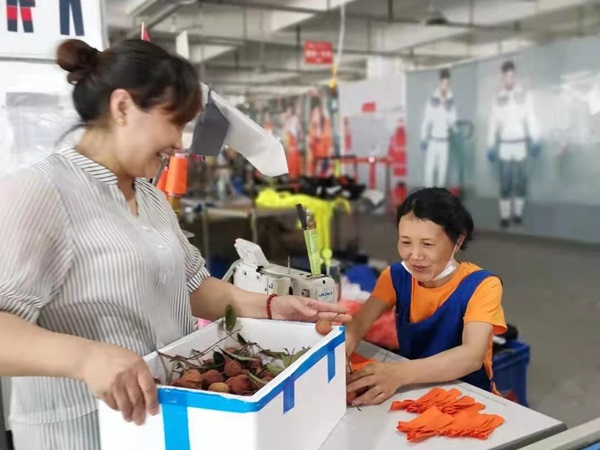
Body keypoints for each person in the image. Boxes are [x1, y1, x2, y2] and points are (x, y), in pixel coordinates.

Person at [0, 38, 350, 450]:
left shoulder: (148, 196)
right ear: (123, 108)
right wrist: (86, 359)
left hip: (165, 424)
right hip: (82, 432)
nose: (181, 142)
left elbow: (194, 287)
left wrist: (275, 306)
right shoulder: (42, 190)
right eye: (173, 122)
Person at [345, 188, 506, 406]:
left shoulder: (482, 286)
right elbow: (361, 320)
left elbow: (471, 356)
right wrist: (342, 349)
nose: (415, 256)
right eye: (405, 242)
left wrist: (398, 374)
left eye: (428, 244)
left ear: (458, 241)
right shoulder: (395, 277)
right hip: (416, 388)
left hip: (469, 396)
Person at [487, 60, 541, 229]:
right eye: (506, 76)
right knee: (505, 183)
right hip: (504, 146)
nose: (509, 79)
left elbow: (531, 118)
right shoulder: (497, 98)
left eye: (511, 76)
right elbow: (493, 123)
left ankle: (517, 214)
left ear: (514, 76)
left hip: (520, 145)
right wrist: (490, 144)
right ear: (502, 78)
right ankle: (504, 216)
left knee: (520, 182)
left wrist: (536, 138)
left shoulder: (524, 95)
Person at [421, 68, 458, 188]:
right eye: (443, 83)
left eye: (447, 84)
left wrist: (454, 127)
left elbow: (453, 122)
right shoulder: (432, 100)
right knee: (429, 172)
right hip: (433, 141)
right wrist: (423, 138)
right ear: (440, 83)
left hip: (444, 142)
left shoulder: (451, 101)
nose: (445, 86)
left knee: (443, 172)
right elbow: (426, 120)